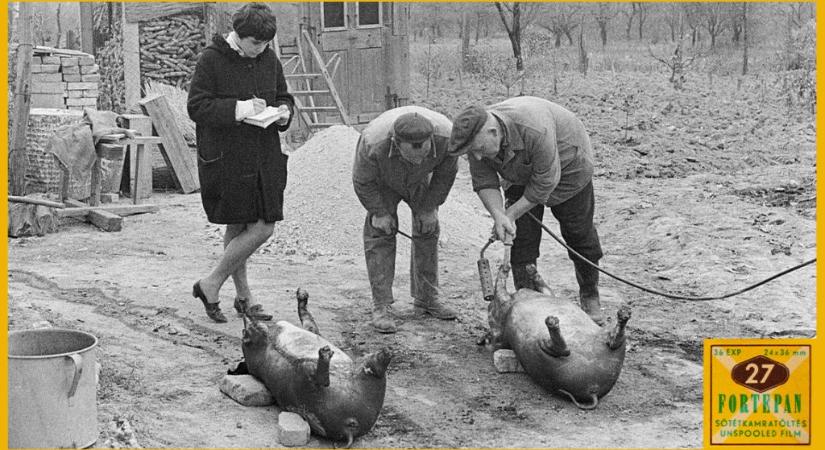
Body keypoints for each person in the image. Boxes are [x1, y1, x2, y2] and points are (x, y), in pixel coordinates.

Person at [448, 96, 605, 325]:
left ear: (494, 132)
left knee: (579, 234)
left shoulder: (534, 129)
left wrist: (511, 214)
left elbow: (545, 182)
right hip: (520, 171)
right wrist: (500, 216)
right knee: (520, 238)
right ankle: (529, 300)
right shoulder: (479, 141)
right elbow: (484, 181)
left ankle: (590, 295)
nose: (478, 157)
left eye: (480, 150)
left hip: (569, 166)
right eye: (473, 153)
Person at [187, 2, 294, 323]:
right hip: (229, 159)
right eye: (254, 43)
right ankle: (215, 284)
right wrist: (241, 108)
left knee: (252, 226)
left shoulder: (268, 58)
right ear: (238, 34)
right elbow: (197, 106)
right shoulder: (212, 59)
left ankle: (233, 292)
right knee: (250, 225)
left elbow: (282, 95)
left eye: (265, 44)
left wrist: (285, 111)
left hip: (264, 156)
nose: (260, 49)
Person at [352, 106, 459, 333]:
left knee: (428, 227)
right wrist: (378, 212)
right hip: (383, 180)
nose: (419, 160)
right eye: (413, 157)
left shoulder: (446, 138)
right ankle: (382, 305)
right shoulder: (373, 142)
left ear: (431, 140)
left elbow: (446, 174)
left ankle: (427, 297)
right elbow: (362, 181)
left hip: (422, 181)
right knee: (380, 232)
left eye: (424, 155)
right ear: (396, 144)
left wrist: (430, 207)